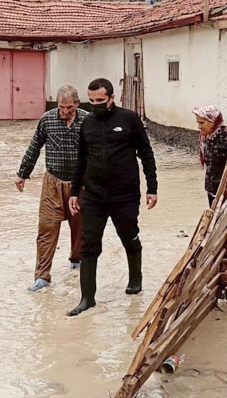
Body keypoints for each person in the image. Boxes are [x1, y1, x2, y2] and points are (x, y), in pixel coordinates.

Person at [67, 78, 158, 316]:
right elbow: (81, 160)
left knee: (128, 236)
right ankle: (87, 298)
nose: (95, 105)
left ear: (112, 98)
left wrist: (152, 187)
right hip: (94, 195)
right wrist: (75, 192)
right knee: (88, 245)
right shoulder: (86, 123)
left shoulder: (128, 119)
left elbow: (146, 154)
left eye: (100, 101)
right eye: (92, 101)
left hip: (125, 194)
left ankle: (135, 279)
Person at [16, 85, 88, 292]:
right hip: (52, 183)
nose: (64, 111)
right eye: (61, 107)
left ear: (77, 103)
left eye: (69, 107)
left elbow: (97, 151)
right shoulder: (47, 119)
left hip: (79, 183)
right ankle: (42, 276)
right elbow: (34, 147)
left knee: (80, 226)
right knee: (46, 228)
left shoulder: (87, 121)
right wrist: (22, 173)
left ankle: (77, 260)